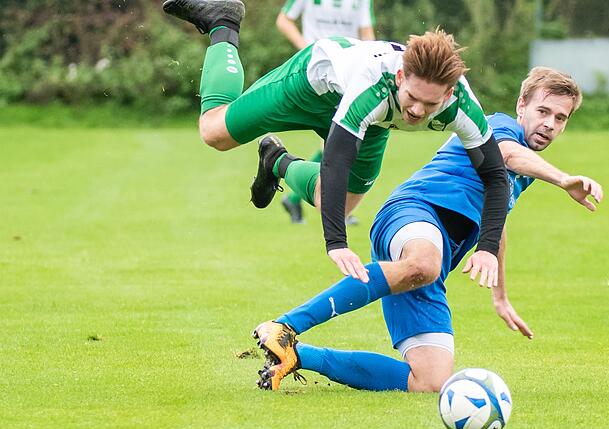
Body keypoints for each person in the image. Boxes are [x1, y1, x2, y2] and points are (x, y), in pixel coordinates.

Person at [252, 66, 604, 392]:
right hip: (413, 212)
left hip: (433, 258)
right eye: (543, 112)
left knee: (431, 380)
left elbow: (495, 224)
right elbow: (506, 154)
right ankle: (285, 325)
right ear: (522, 105)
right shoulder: (498, 126)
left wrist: (500, 296)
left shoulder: (527, 171)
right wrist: (562, 178)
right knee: (424, 262)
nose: (550, 124)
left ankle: (298, 355)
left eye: (560, 118)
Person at [162, 0, 510, 288]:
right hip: (309, 85)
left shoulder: (463, 105)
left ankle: (277, 162)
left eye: (431, 104)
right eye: (413, 97)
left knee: (337, 205)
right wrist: (337, 244)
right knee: (213, 133)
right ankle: (224, 21)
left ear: (449, 94)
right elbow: (336, 162)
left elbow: (495, 176)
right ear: (401, 76)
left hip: (374, 122)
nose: (417, 111)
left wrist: (488, 247)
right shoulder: (373, 84)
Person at [275, 0, 377, 224]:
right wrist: (306, 48)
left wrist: (374, 63)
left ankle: (312, 201)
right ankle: (335, 206)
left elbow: (366, 31)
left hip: (351, 74)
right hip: (319, 73)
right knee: (340, 141)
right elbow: (284, 20)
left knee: (337, 142)